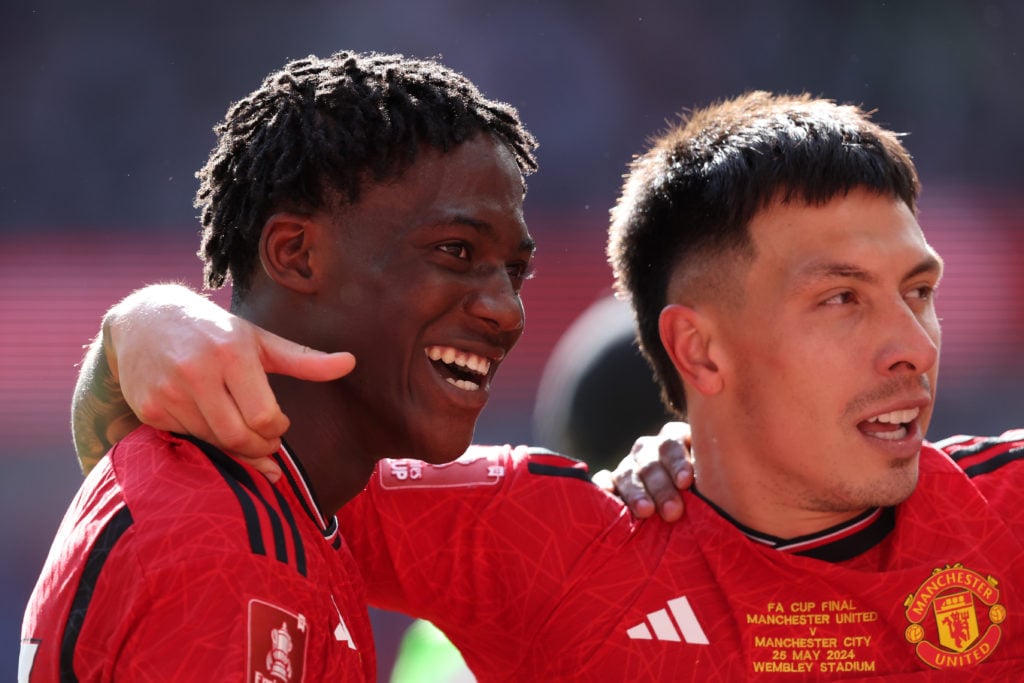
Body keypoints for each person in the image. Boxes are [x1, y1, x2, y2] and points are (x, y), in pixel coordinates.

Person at [67, 92, 1024, 678]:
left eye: (919, 291)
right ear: (701, 352)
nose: (914, 345)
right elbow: (213, 458)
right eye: (843, 301)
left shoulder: (1006, 517)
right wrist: (137, 329)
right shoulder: (544, 540)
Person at [20, 50, 540, 681]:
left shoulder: (285, 505)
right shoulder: (223, 545)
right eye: (456, 251)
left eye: (515, 271)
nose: (507, 311)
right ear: (295, 254)